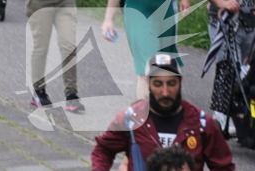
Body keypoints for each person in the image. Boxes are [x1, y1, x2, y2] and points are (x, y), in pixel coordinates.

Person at [91, 53, 234, 171]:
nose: (165, 92)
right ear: (148, 83)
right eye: (157, 84)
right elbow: (103, 150)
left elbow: (224, 167)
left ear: (181, 82)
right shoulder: (130, 119)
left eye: (171, 83)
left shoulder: (202, 123)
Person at [201, 0, 255, 130]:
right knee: (226, 65)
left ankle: (241, 115)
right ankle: (220, 117)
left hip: (249, 24)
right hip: (222, 23)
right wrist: (223, 2)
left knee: (246, 70)